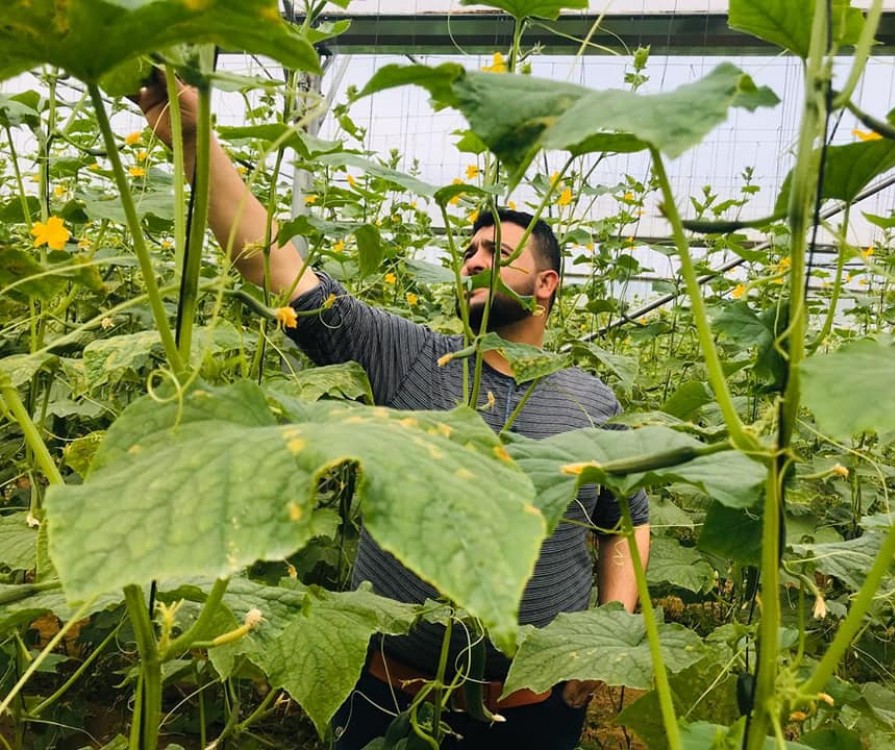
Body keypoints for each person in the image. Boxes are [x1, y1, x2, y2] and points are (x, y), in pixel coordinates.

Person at [136, 74, 650, 750]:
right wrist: (195, 139)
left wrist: (606, 634)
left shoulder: (591, 398)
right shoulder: (411, 357)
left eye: (497, 253)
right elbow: (276, 270)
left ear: (547, 284)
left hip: (533, 709)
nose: (473, 262)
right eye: (468, 251)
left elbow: (625, 524)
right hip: (388, 697)